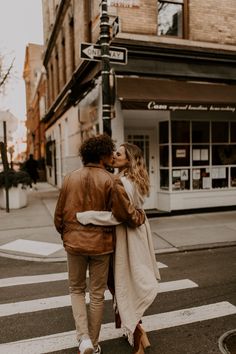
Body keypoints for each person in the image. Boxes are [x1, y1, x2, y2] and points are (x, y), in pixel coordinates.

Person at [54, 135, 145, 354]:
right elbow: (126, 214)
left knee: (76, 289)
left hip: (74, 244)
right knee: (96, 294)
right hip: (101, 246)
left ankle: (83, 338)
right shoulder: (111, 180)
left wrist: (67, 235)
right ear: (103, 154)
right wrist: (140, 217)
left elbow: (59, 217)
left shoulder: (69, 178)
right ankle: (93, 344)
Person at [77, 143, 160, 354]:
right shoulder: (136, 180)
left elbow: (117, 217)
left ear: (129, 160)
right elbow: (135, 213)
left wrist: (86, 217)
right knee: (130, 283)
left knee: (120, 284)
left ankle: (137, 332)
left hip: (126, 237)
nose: (114, 155)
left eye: (119, 153)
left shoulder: (121, 182)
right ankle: (139, 331)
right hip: (139, 235)